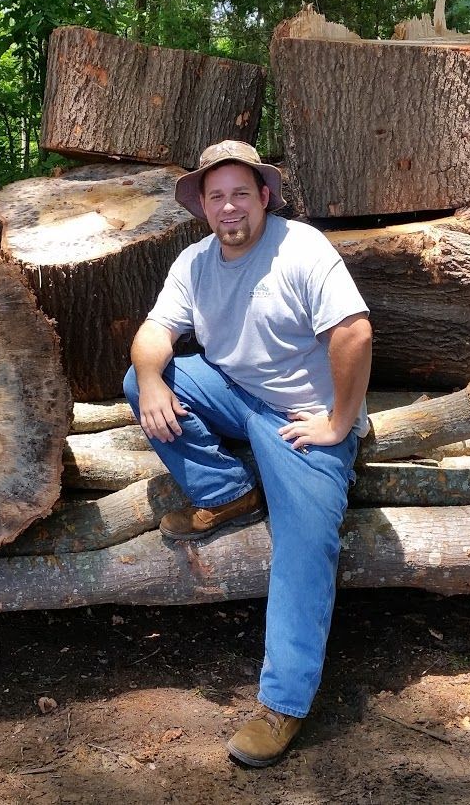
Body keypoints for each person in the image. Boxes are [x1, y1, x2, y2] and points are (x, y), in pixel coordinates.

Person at [123, 140, 373, 767]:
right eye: (217, 197)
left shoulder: (301, 248)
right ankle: (227, 491)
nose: (229, 207)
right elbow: (154, 332)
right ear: (203, 206)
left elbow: (353, 331)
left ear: (264, 196)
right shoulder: (195, 262)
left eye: (241, 193)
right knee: (143, 380)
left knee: (304, 546)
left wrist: (340, 422)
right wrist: (151, 381)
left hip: (301, 418)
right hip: (235, 392)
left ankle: (283, 703)